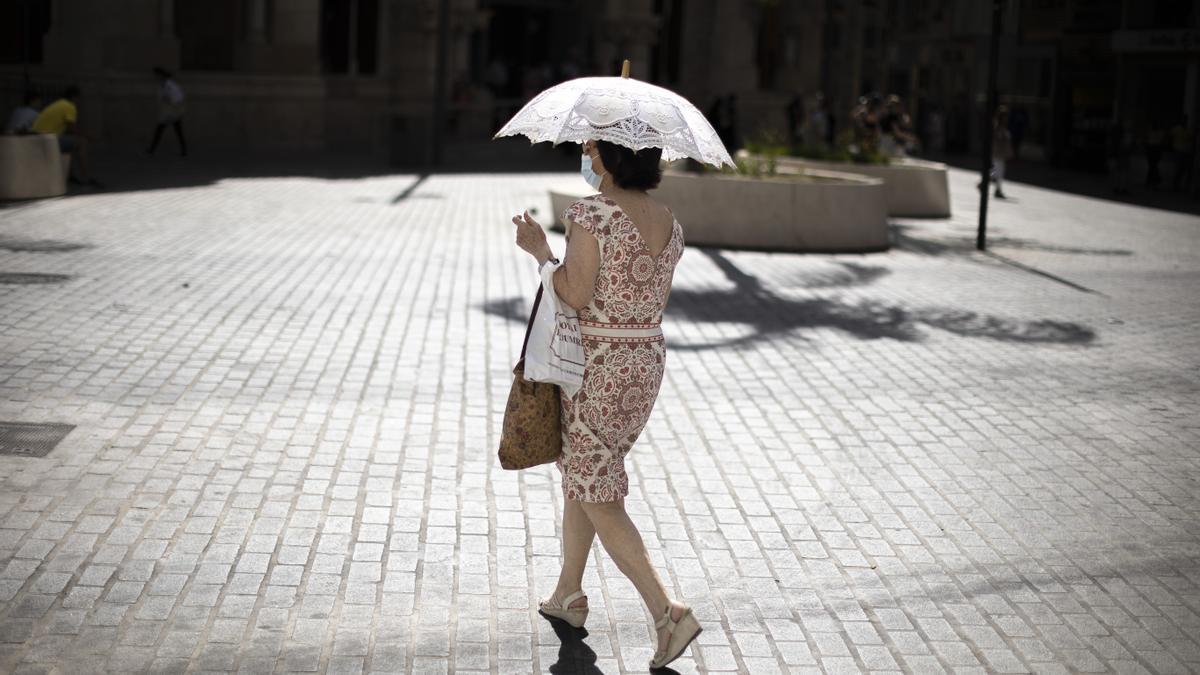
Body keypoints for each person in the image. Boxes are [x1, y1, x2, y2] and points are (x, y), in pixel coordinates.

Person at [510, 139, 701, 670]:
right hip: (643, 362)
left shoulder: (592, 214)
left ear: (614, 159)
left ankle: (668, 613)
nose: (587, 156)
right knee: (589, 473)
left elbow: (573, 292)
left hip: (595, 365)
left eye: (593, 149)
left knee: (597, 485)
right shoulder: (667, 218)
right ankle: (569, 594)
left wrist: (541, 253)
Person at [32, 85, 100, 186]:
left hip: (37, 137)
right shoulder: (70, 106)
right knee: (81, 143)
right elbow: (71, 128)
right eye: (79, 98)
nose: (80, 102)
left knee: (72, 143)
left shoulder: (59, 104)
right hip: (47, 139)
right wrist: (88, 136)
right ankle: (86, 177)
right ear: (74, 97)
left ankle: (69, 174)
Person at [147, 67, 187, 156]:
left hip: (172, 112)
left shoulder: (170, 84)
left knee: (167, 130)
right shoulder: (163, 84)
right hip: (168, 112)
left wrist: (169, 99)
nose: (156, 77)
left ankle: (152, 149)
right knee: (173, 131)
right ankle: (152, 149)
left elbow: (179, 96)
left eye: (157, 75)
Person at [990, 106, 1014, 198]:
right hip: (998, 153)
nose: (1006, 118)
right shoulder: (998, 127)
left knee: (996, 172)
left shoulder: (1001, 127)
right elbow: (998, 139)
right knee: (998, 172)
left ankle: (985, 183)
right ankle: (997, 190)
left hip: (999, 153)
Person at [1171, 116, 1194, 191]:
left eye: (1186, 120)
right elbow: (1171, 136)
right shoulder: (1177, 129)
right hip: (1179, 150)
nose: (1185, 122)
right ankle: (1175, 184)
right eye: (1183, 120)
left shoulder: (1188, 129)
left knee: (1183, 169)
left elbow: (1191, 138)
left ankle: (1180, 184)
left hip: (1186, 151)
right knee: (1178, 168)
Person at [1145, 122, 1166, 187]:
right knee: (1152, 165)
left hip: (1155, 149)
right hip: (1152, 149)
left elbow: (1161, 141)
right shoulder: (1153, 132)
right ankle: (1154, 179)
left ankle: (1151, 180)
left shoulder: (1159, 133)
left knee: (1152, 165)